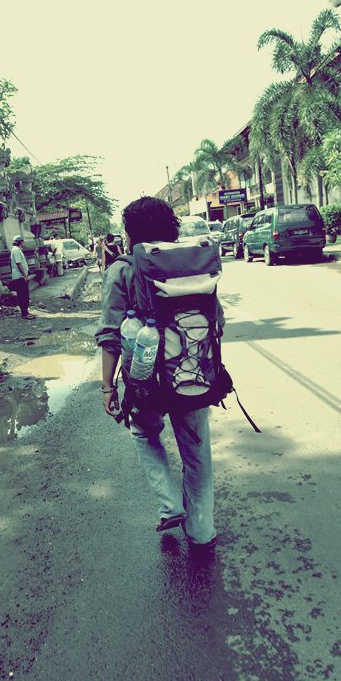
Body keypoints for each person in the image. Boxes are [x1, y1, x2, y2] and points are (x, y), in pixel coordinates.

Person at [95, 196, 225, 548]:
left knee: (144, 432)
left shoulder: (122, 269)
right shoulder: (193, 263)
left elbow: (110, 335)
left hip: (144, 380)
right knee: (196, 453)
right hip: (191, 374)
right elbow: (217, 321)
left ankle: (169, 505)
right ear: (171, 228)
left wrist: (107, 387)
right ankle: (201, 531)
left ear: (130, 232)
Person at [10, 235, 35, 319]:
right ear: (21, 242)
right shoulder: (16, 250)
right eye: (23, 241)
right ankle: (24, 314)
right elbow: (19, 264)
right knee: (23, 296)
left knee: (24, 295)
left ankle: (26, 312)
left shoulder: (17, 250)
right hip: (20, 277)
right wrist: (25, 275)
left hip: (21, 276)